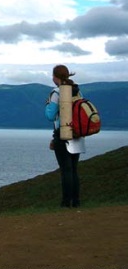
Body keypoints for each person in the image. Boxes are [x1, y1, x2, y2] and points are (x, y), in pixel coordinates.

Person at [45, 65, 85, 208]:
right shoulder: (78, 91)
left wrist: (48, 105)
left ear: (55, 77)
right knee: (74, 169)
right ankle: (76, 201)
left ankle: (65, 202)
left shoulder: (56, 92)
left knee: (65, 170)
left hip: (62, 133)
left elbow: (50, 116)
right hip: (77, 133)